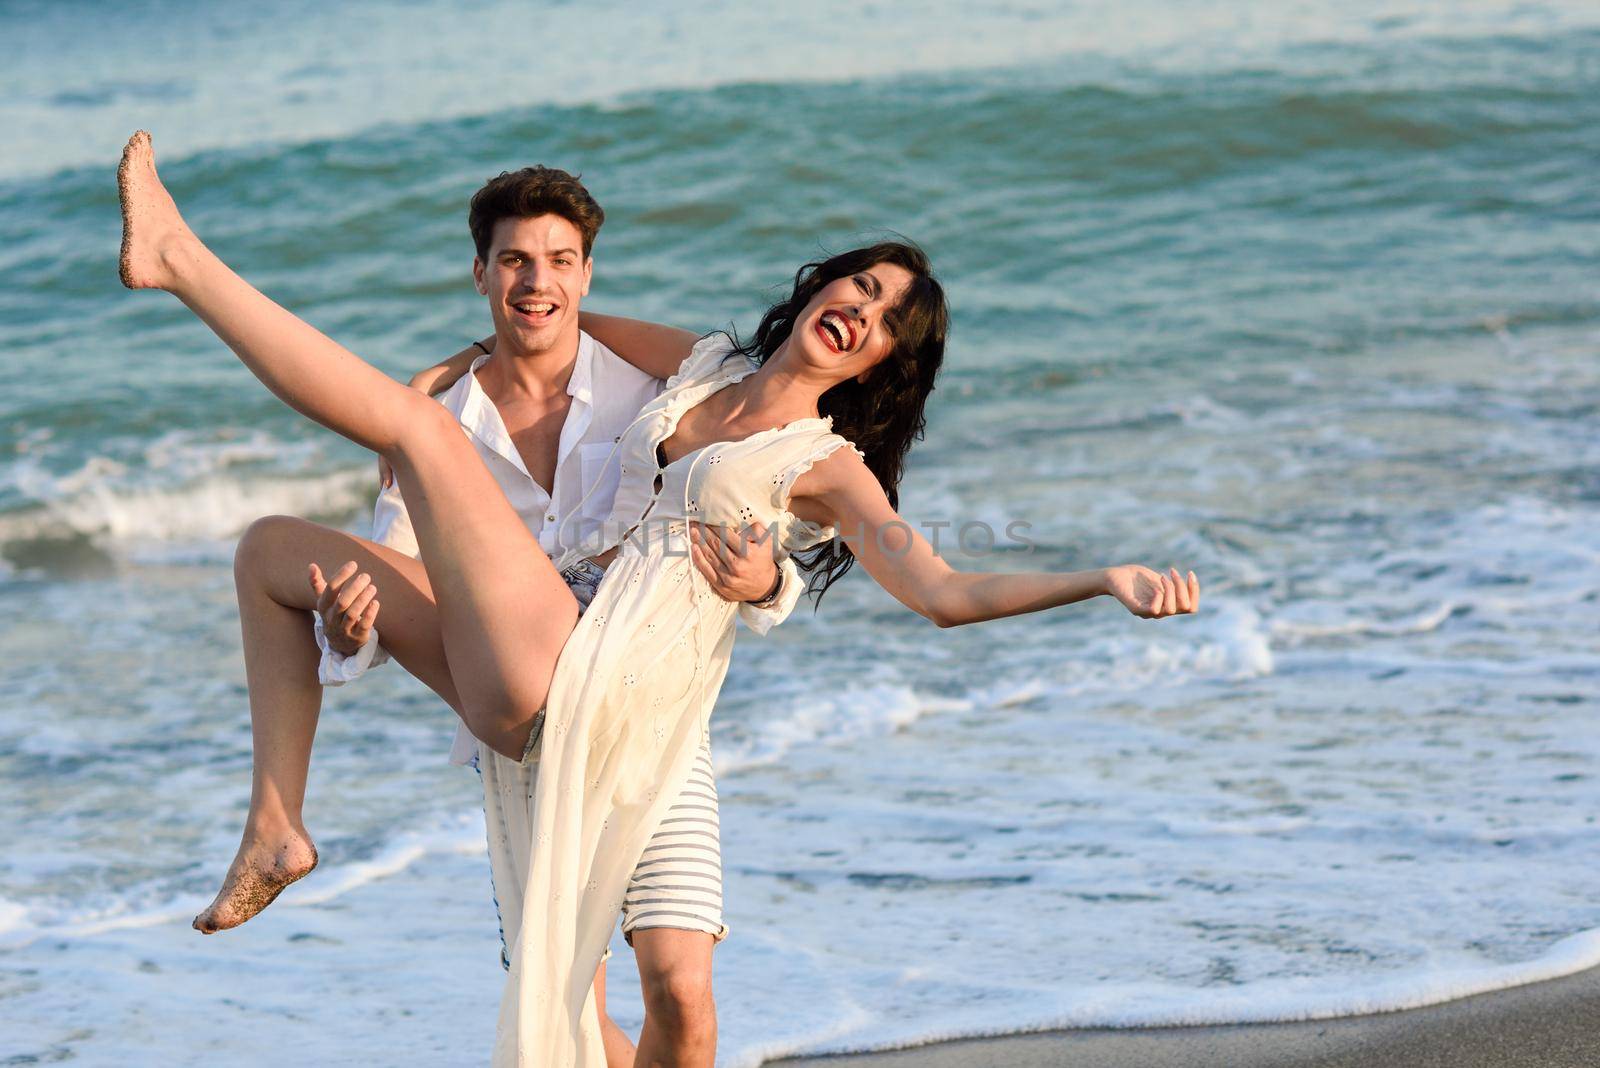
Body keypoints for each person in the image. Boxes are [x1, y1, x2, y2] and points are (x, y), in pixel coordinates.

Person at [117, 130, 1200, 1067]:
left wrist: (1098, 578)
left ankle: (182, 262)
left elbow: (942, 590)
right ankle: (276, 826)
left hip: (632, 696)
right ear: (821, 287)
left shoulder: (822, 461)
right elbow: (549, 325)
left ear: (880, 362)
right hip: (531, 683)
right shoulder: (695, 363)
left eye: (882, 321)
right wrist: (441, 384)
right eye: (857, 287)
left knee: (680, 990)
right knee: (273, 549)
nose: (859, 313)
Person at [203, 165, 804, 1067]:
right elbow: (400, 578)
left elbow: (759, 461)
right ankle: (277, 823)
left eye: (561, 260)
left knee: (681, 989)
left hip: (653, 719)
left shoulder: (656, 391)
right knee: (565, 1006)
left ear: (588, 274)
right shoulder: (432, 416)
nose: (538, 281)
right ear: (480, 274)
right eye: (515, 261)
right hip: (520, 727)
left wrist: (767, 585)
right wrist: (346, 632)